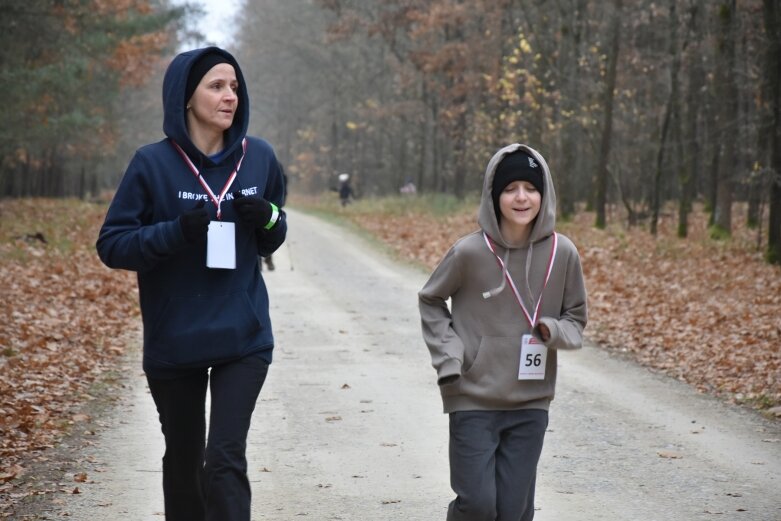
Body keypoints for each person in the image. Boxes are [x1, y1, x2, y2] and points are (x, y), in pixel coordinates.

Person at [96, 46, 287, 521]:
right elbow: (113, 245)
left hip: (242, 339)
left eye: (235, 87)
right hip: (174, 341)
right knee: (185, 463)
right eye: (216, 86)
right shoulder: (151, 164)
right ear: (186, 96)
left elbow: (275, 234)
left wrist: (267, 217)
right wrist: (175, 232)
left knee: (223, 460)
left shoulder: (258, 157)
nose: (230, 98)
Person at [418, 144, 587, 521]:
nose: (522, 197)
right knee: (477, 505)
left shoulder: (564, 253)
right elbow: (431, 300)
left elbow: (576, 319)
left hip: (530, 402)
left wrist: (553, 330)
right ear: (494, 196)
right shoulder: (468, 252)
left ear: (544, 194)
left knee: (513, 511)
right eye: (510, 188)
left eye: (531, 187)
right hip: (473, 399)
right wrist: (450, 356)